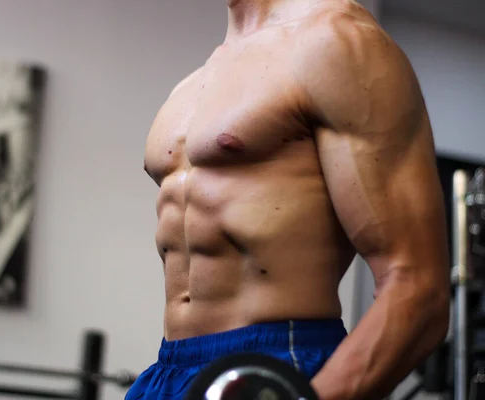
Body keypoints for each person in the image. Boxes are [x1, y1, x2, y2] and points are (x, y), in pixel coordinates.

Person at [127, 0, 450, 399]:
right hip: (168, 371)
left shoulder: (339, 42)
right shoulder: (191, 84)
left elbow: (418, 289)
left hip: (283, 366)